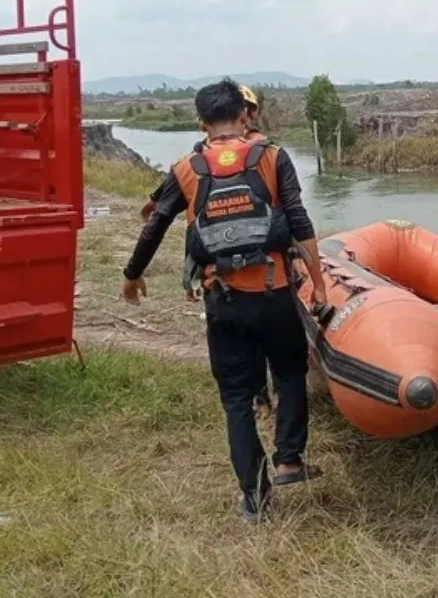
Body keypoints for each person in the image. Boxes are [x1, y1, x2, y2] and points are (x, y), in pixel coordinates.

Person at [120, 78, 332, 522]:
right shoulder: (272, 157)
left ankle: (255, 498)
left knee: (237, 399)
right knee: (290, 372)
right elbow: (298, 220)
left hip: (224, 301)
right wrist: (319, 282)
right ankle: (290, 458)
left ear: (201, 122)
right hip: (275, 295)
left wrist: (132, 275)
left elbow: (155, 224)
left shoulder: (186, 167)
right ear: (246, 115)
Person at [139, 85, 275, 418]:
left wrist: (156, 205)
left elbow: (180, 183)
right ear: (246, 114)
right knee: (265, 330)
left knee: (244, 333)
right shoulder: (267, 153)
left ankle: (257, 395)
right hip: (262, 266)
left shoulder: (211, 152)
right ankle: (267, 395)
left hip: (228, 265)